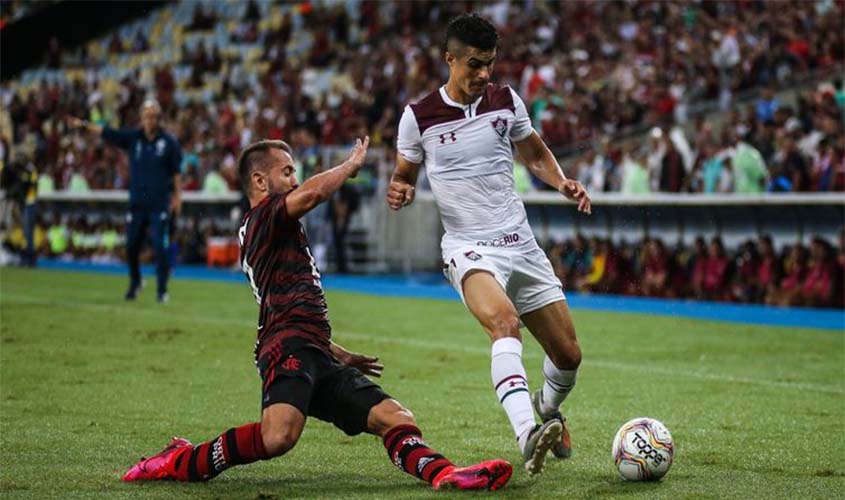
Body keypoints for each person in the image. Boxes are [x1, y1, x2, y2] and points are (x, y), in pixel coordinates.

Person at [121, 138, 513, 492]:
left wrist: (335, 351)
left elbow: (285, 304)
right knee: (278, 437)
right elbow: (312, 195)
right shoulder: (262, 218)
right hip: (287, 349)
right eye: (287, 172)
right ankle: (178, 461)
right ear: (259, 181)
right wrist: (349, 166)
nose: (295, 180)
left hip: (314, 351)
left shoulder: (277, 229)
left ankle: (445, 474)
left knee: (396, 417)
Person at [388, 14, 591, 476]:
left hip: (521, 244)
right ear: (450, 59)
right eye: (475, 64)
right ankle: (527, 435)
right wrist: (400, 189)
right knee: (504, 323)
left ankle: (547, 407)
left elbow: (534, 153)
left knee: (569, 356)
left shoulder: (506, 100)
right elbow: (403, 175)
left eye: (490, 64)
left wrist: (561, 182)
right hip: (469, 247)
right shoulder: (418, 117)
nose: (484, 74)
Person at [68, 99, 182, 302]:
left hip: (159, 205)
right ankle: (136, 281)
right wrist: (84, 125)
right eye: (146, 116)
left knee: (160, 247)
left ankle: (162, 290)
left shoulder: (169, 143)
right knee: (130, 246)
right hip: (137, 204)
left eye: (153, 116)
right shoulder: (134, 138)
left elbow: (176, 173)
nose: (150, 120)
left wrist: (178, 197)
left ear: (159, 118)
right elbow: (109, 133)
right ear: (141, 118)